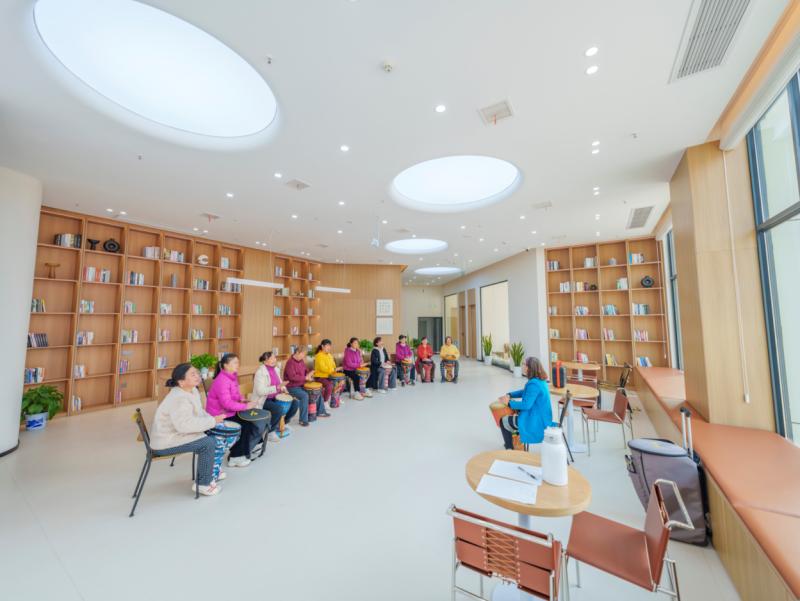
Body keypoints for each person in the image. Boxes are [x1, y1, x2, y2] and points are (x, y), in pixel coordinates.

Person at [149, 363, 226, 496]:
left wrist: (212, 420)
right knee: (208, 443)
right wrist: (212, 421)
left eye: (197, 373)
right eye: (192, 374)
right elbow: (184, 426)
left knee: (215, 432)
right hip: (165, 443)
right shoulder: (178, 398)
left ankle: (212, 470)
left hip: (177, 435)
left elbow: (199, 413)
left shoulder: (192, 390)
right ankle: (203, 484)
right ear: (181, 382)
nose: (197, 376)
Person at [206, 353, 266, 467]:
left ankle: (250, 446)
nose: (238, 365)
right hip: (220, 415)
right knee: (247, 425)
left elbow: (236, 394)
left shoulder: (232, 376)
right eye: (235, 363)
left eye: (238, 362)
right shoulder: (222, 380)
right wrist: (246, 406)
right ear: (225, 365)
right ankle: (235, 457)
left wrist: (242, 400)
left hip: (229, 411)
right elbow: (227, 403)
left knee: (252, 421)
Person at [496, 357, 552, 450]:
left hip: (536, 420)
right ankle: (516, 443)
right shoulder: (540, 381)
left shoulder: (534, 384)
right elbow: (524, 392)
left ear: (529, 368)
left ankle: (509, 449)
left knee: (503, 421)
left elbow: (526, 405)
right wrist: (510, 395)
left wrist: (508, 403)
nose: (523, 367)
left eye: (524, 365)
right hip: (540, 416)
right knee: (514, 413)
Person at [252, 351, 299, 441]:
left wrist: (284, 389)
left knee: (295, 403)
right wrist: (276, 387)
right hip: (264, 399)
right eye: (271, 358)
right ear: (265, 361)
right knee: (278, 409)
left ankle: (284, 423)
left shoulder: (276, 369)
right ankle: (270, 432)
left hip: (276, 397)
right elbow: (260, 391)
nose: (274, 360)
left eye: (274, 358)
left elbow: (280, 383)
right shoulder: (260, 372)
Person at [283, 347, 329, 423]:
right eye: (303, 354)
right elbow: (292, 377)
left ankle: (321, 411)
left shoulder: (301, 361)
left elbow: (306, 372)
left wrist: (309, 375)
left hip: (302, 384)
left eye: (304, 355)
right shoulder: (290, 362)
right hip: (292, 387)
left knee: (317, 391)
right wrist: (305, 378)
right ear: (297, 352)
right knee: (304, 396)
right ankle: (303, 420)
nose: (303, 356)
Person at [314, 339, 340, 407]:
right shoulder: (319, 355)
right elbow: (323, 368)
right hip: (320, 377)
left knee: (340, 383)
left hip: (329, 376)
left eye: (330, 346)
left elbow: (334, 365)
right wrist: (333, 370)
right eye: (327, 345)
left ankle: (335, 399)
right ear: (322, 346)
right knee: (329, 385)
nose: (329, 347)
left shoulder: (329, 355)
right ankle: (325, 401)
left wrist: (334, 369)